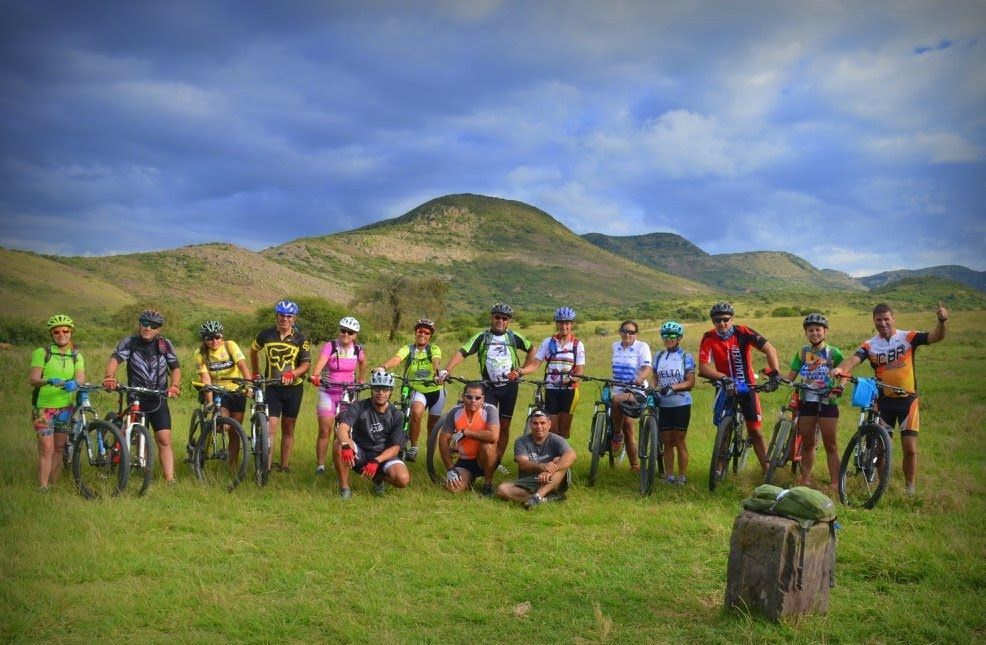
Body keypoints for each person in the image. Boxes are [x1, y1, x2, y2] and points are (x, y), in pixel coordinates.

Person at [830, 301, 948, 495]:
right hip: (884, 401)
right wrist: (840, 369)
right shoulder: (870, 345)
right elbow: (853, 359)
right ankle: (880, 486)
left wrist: (942, 321)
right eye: (879, 320)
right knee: (880, 448)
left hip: (908, 401)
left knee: (910, 448)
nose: (883, 323)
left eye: (886, 319)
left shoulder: (907, 337)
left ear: (893, 318)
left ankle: (910, 488)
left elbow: (936, 337)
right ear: (874, 321)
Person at [442, 303, 534, 480]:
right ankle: (480, 457)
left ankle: (496, 459)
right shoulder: (482, 337)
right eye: (497, 317)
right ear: (491, 318)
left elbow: (531, 349)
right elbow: (463, 352)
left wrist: (522, 369)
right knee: (486, 424)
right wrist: (448, 370)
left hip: (509, 387)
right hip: (489, 387)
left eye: (504, 318)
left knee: (505, 425)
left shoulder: (514, 337)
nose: (500, 320)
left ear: (508, 321)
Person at [697, 302, 781, 473]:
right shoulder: (708, 337)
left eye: (726, 319)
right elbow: (703, 367)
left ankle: (767, 472)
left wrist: (774, 374)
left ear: (732, 318)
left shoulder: (743, 331)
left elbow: (769, 349)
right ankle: (719, 470)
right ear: (713, 321)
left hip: (747, 386)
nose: (722, 323)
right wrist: (723, 378)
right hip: (724, 385)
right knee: (723, 430)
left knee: (755, 431)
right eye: (717, 320)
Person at [103, 309, 181, 484]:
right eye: (145, 323)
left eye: (153, 325)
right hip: (136, 396)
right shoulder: (130, 342)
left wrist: (174, 386)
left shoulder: (164, 345)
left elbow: (175, 367)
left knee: (164, 439)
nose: (148, 328)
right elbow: (115, 359)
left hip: (158, 397)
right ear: (139, 325)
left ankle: (170, 480)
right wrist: (109, 377)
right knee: (132, 435)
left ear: (158, 329)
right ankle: (116, 458)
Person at [783, 313, 846, 491]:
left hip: (828, 402)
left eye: (818, 329)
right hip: (807, 401)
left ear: (825, 331)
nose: (814, 333)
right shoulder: (802, 352)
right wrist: (774, 374)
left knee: (830, 443)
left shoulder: (833, 352)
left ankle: (835, 483)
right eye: (810, 330)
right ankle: (805, 480)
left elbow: (845, 373)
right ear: (806, 333)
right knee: (808, 443)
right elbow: (790, 377)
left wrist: (840, 387)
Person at [249, 300, 311, 473]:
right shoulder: (266, 335)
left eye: (289, 316)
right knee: (271, 428)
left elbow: (306, 364)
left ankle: (284, 466)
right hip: (273, 388)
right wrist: (255, 371)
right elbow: (253, 350)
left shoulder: (300, 339)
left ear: (294, 319)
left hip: (294, 389)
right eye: (282, 315)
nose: (285, 319)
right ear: (276, 316)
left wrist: (293, 374)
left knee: (289, 428)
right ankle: (266, 468)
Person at [28, 314, 86, 491]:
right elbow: (33, 379)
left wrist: (76, 383)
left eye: (65, 331)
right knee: (47, 448)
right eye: (57, 332)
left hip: (65, 408)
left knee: (59, 447)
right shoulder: (42, 353)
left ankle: (54, 484)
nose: (61, 334)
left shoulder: (76, 356)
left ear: (71, 333)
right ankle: (43, 487)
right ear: (52, 334)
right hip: (43, 408)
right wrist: (48, 381)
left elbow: (81, 377)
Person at [333, 371, 410, 499]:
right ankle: (345, 488)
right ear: (371, 390)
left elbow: (396, 448)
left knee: (402, 480)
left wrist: (376, 461)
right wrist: (346, 446)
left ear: (390, 392)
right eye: (377, 389)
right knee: (338, 443)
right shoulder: (358, 406)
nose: (381, 393)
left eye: (385, 389)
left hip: (383, 457)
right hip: (361, 453)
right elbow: (342, 428)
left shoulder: (397, 415)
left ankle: (378, 479)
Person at [375, 318, 445, 462]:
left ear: (430, 336)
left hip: (436, 390)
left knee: (433, 424)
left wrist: (438, 373)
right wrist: (383, 367)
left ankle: (430, 455)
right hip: (416, 388)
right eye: (420, 331)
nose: (423, 334)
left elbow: (436, 362)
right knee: (417, 413)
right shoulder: (408, 348)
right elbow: (397, 358)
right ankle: (414, 446)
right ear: (416, 332)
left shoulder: (433, 349)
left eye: (427, 332)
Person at [513, 307, 584, 439]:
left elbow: (579, 371)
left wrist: (572, 379)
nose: (564, 326)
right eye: (561, 323)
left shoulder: (577, 345)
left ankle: (562, 456)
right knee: (553, 429)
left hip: (570, 390)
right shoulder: (548, 342)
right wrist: (520, 371)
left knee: (564, 431)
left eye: (567, 323)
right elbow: (535, 365)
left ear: (572, 324)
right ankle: (552, 458)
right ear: (557, 324)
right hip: (551, 389)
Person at [309, 316, 367, 475]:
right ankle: (320, 465)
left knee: (344, 431)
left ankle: (338, 461)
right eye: (343, 330)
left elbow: (363, 362)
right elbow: (321, 361)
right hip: (328, 392)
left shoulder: (357, 349)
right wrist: (316, 375)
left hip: (348, 393)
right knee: (325, 430)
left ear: (355, 335)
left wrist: (361, 379)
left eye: (350, 332)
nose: (346, 334)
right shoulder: (330, 346)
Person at [192, 320, 251, 466]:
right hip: (218, 391)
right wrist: (210, 402)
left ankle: (233, 467)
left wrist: (249, 385)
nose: (214, 341)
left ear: (222, 336)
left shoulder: (230, 345)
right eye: (209, 338)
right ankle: (207, 437)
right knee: (224, 426)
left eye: (217, 337)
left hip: (237, 390)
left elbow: (243, 366)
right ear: (204, 340)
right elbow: (206, 379)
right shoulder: (200, 353)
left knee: (235, 431)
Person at [495, 409, 576, 509]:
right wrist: (542, 467)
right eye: (535, 423)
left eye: (543, 423)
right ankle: (546, 499)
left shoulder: (557, 439)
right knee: (501, 490)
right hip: (531, 481)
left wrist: (550, 470)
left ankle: (537, 498)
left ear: (549, 424)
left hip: (553, 479)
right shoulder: (521, 441)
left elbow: (571, 455)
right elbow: (523, 464)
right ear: (530, 425)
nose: (539, 427)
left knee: (559, 460)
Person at [434, 382, 500, 493]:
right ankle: (469, 479)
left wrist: (467, 433)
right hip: (465, 459)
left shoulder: (490, 410)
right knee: (453, 489)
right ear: (463, 396)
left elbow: (493, 436)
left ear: (483, 398)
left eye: (477, 398)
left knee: (487, 445)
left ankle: (487, 485)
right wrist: (450, 469)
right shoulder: (455, 412)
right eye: (469, 397)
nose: (473, 401)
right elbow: (443, 440)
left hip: (484, 458)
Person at [652, 321, 696, 485]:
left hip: (681, 404)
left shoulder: (686, 357)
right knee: (667, 441)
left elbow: (690, 382)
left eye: (672, 336)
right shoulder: (659, 356)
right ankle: (669, 476)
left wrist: (673, 387)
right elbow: (655, 377)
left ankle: (682, 477)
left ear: (679, 338)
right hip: (664, 404)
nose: (668, 339)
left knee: (679, 441)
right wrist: (650, 388)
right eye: (665, 336)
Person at [608, 319, 653, 472]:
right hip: (618, 388)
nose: (628, 334)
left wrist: (639, 379)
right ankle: (634, 465)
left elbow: (647, 367)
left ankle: (616, 435)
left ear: (636, 334)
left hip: (636, 391)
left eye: (631, 332)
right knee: (628, 427)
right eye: (625, 331)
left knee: (616, 400)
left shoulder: (642, 347)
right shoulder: (615, 346)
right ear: (620, 332)